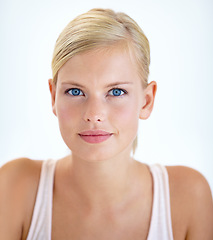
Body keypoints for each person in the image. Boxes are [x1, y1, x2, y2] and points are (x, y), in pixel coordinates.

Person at [0, 8, 212, 240]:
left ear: (146, 101)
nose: (94, 114)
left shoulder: (188, 197)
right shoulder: (15, 187)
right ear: (53, 97)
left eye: (116, 91)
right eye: (75, 91)